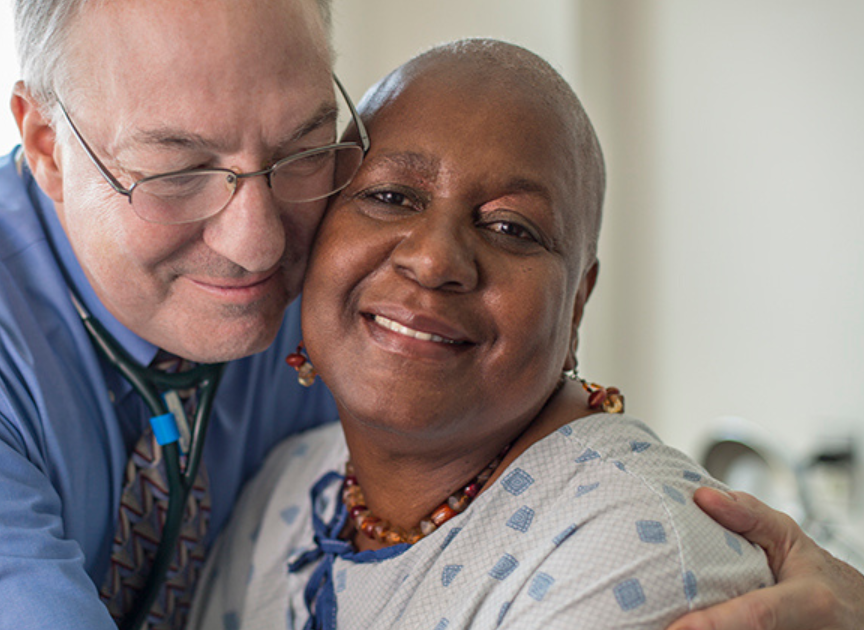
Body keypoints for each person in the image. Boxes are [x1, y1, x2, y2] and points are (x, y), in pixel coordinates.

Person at [0, 2, 864, 630]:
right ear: (45, 142)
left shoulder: (321, 312)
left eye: (306, 149)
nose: (257, 245)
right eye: (178, 167)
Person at [181, 38, 774, 629]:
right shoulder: (290, 487)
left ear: (576, 307)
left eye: (511, 228)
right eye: (391, 196)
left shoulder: (631, 548)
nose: (435, 260)